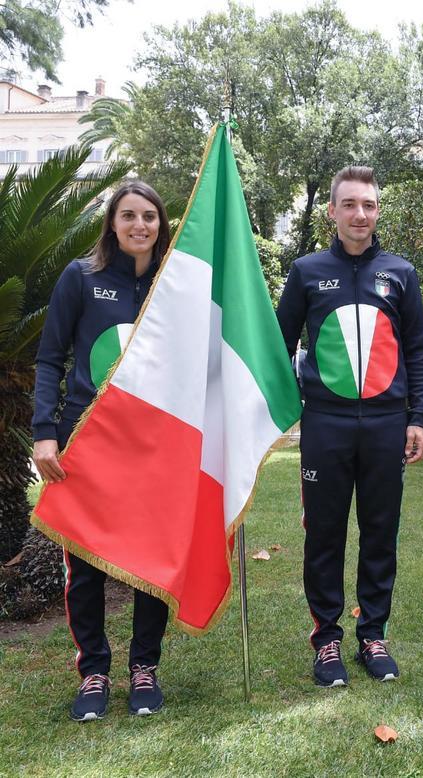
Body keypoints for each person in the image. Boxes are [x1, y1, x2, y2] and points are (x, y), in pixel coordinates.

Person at [276, 165, 423, 687]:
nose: (359, 214)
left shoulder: (401, 273)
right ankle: (326, 640)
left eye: (368, 204)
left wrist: (418, 418)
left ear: (377, 210)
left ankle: (374, 634)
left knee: (380, 530)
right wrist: (289, 407)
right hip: (326, 424)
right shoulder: (306, 271)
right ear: (333, 211)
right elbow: (279, 344)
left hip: (387, 423)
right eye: (350, 205)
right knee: (324, 533)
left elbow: (416, 350)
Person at [32, 181, 172, 721]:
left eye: (150, 217)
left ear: (161, 226)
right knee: (86, 562)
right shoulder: (80, 277)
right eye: (129, 216)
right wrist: (46, 432)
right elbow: (49, 359)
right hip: (86, 442)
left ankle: (144, 669)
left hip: (154, 447)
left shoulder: (172, 287)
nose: (140, 226)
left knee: (151, 558)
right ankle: (94, 671)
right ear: (112, 224)